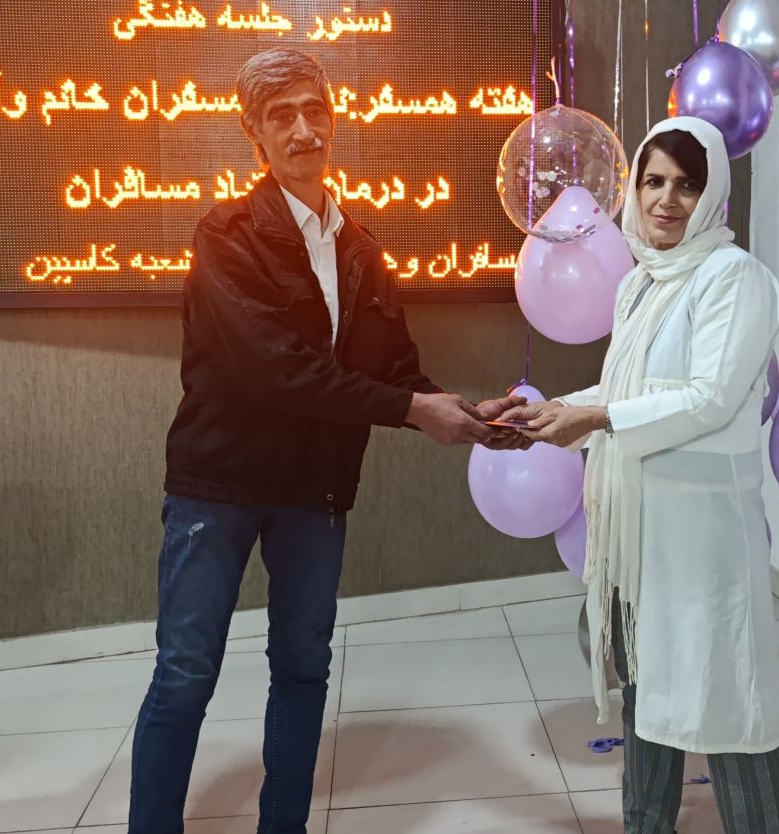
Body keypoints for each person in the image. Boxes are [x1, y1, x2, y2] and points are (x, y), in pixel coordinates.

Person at [130, 48, 526, 834]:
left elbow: (395, 368)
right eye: (282, 117)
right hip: (218, 488)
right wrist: (413, 410)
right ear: (254, 133)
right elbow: (278, 371)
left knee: (305, 667)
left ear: (333, 118)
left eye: (314, 110)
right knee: (185, 673)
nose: (303, 130)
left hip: (316, 493)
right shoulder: (226, 236)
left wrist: (461, 411)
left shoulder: (361, 248)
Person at [501, 117, 779, 833]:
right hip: (636, 533)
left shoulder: (734, 278)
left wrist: (595, 419)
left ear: (711, 193)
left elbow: (710, 398)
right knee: (646, 688)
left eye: (687, 185)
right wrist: (547, 411)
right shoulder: (639, 282)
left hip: (702, 537)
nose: (666, 199)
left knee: (728, 700)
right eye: (653, 181)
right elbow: (621, 390)